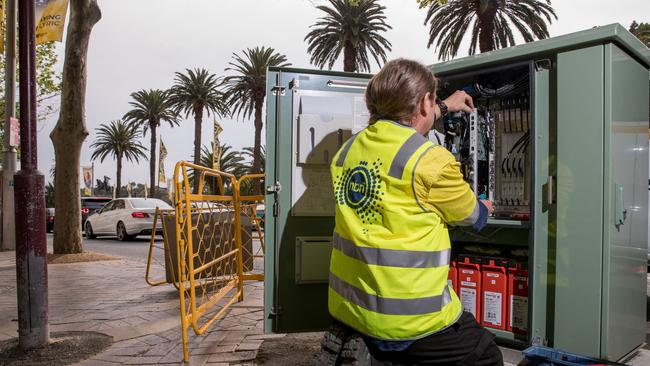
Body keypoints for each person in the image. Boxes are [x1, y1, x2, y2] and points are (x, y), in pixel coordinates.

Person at [327, 58, 501, 365]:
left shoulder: (347, 151)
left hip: (353, 310)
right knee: (484, 354)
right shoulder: (431, 161)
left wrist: (444, 106)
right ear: (422, 103)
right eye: (431, 100)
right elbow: (473, 217)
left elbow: (399, 128)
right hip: (409, 321)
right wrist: (484, 205)